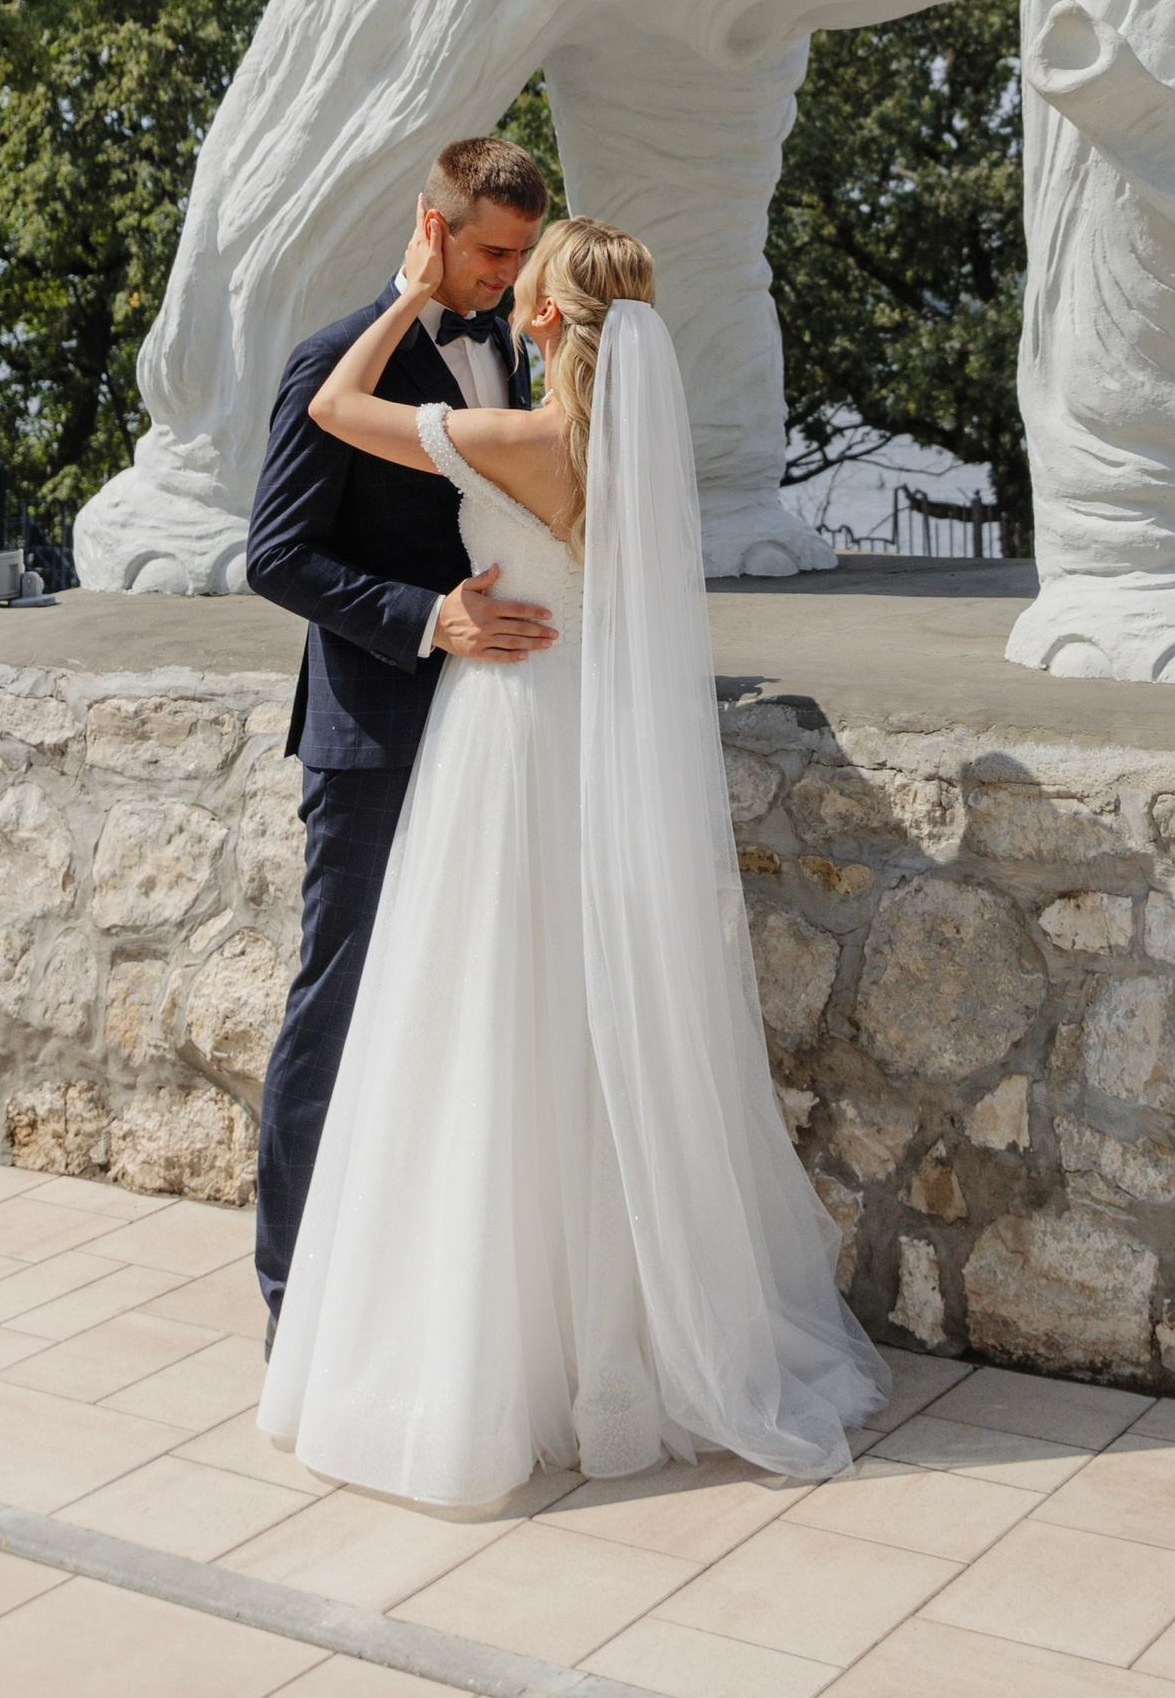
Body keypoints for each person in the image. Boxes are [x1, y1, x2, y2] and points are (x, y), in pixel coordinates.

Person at [255, 212, 886, 1510]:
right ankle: (610, 1340)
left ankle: (489, 1348)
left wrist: (404, 295)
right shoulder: (627, 452)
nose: (505, 293)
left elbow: (333, 403)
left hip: (503, 736)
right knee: (589, 1032)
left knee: (480, 1021)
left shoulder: (518, 437)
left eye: (522, 281)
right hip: (589, 740)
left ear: (546, 315)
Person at [244, 134, 558, 1344]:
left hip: (493, 741)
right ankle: (291, 1298)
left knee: (459, 1007)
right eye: (491, 251)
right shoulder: (334, 359)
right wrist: (430, 618)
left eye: (524, 255)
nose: (508, 277)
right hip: (374, 735)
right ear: (432, 228)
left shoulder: (512, 364)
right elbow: (275, 555)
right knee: (338, 1002)